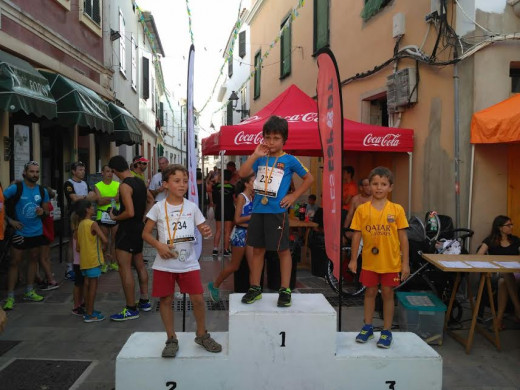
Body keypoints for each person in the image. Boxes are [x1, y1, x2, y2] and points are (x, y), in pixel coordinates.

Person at [142, 164, 222, 358]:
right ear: (166, 184)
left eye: (185, 181)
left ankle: (202, 334)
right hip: (164, 263)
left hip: (189, 263)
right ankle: (171, 338)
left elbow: (203, 225)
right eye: (177, 181)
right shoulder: (158, 207)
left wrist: (206, 230)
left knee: (198, 299)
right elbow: (145, 233)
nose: (182, 185)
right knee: (166, 300)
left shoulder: (192, 206)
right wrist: (159, 245)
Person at [238, 115, 314, 307]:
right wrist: (255, 155)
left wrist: (293, 196)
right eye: (268, 137)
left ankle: (285, 289)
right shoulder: (260, 157)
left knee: (282, 251)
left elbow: (309, 179)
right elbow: (242, 173)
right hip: (258, 210)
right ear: (263, 138)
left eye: (276, 138)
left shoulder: (289, 160)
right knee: (257, 250)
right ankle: (255, 288)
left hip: (277, 212)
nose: (271, 142)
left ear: (284, 140)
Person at [349, 166, 409, 348]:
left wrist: (405, 263)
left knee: (388, 293)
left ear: (390, 187)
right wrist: (353, 259)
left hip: (391, 262)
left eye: (383, 184)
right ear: (369, 186)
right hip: (369, 261)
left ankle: (386, 330)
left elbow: (403, 238)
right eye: (375, 183)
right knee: (370, 292)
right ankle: (367, 327)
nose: (379, 187)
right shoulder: (362, 210)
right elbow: (357, 235)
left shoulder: (397, 209)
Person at [108, 155, 150, 321]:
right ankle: (144, 300)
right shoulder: (139, 181)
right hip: (138, 227)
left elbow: (129, 212)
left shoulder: (125, 186)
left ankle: (131, 308)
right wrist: (144, 218)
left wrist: (114, 217)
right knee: (139, 264)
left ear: (115, 170)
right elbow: (151, 200)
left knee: (124, 267)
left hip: (127, 229)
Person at [3, 161, 50, 310]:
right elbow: (1, 202)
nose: (35, 174)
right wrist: (10, 221)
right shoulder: (15, 188)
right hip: (20, 232)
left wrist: (43, 212)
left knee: (33, 260)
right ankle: (10, 296)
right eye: (32, 171)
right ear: (25, 173)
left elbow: (47, 211)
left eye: (37, 172)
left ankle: (30, 291)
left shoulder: (42, 191)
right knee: (14, 262)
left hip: (36, 232)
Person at [208, 174, 255, 302]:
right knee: (234, 266)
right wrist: (253, 216)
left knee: (254, 267)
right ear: (247, 184)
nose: (256, 183)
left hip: (251, 234)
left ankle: (254, 292)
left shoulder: (253, 197)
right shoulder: (242, 197)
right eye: (253, 181)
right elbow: (237, 219)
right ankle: (215, 285)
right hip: (240, 234)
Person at [476, 215, 520, 329]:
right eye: (508, 225)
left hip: (515, 273)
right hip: (496, 274)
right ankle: (517, 309)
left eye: (511, 224)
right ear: (500, 227)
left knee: (504, 279)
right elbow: (479, 256)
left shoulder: (515, 240)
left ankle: (499, 319)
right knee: (504, 277)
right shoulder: (490, 240)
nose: (511, 227)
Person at [63, 161, 97, 280]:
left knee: (84, 240)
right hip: (75, 215)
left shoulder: (84, 183)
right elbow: (73, 198)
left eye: (83, 169)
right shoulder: (69, 183)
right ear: (73, 171)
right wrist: (85, 197)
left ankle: (81, 263)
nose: (82, 172)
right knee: (73, 241)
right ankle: (69, 268)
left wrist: (81, 197)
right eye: (80, 170)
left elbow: (94, 195)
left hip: (86, 215)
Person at [75, 200, 108, 323]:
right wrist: (103, 247)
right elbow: (105, 239)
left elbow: (78, 247)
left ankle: (88, 310)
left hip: (84, 260)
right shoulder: (92, 224)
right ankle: (90, 313)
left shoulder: (80, 224)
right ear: (87, 210)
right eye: (91, 207)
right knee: (93, 287)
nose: (93, 208)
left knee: (87, 285)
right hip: (94, 258)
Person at [94, 165, 120, 273]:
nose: (110, 173)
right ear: (102, 173)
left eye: (111, 171)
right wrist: (112, 198)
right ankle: (104, 263)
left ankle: (113, 262)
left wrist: (106, 199)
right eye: (107, 171)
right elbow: (99, 201)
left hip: (115, 214)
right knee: (104, 241)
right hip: (102, 215)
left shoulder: (117, 184)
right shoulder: (97, 185)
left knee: (114, 240)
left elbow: (119, 199)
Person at [38, 187, 59, 290]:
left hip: (44, 233)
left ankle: (51, 281)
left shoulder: (45, 206)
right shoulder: (50, 205)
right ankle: (49, 277)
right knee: (47, 258)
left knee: (42, 258)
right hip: (49, 233)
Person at [212, 169, 235, 257]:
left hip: (219, 209)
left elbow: (214, 199)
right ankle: (225, 249)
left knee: (218, 230)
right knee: (227, 231)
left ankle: (215, 249)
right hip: (229, 210)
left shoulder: (216, 186)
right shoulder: (232, 187)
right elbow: (234, 199)